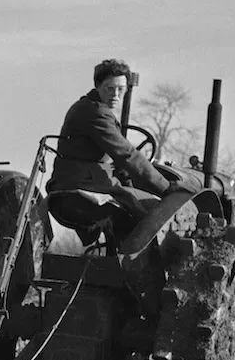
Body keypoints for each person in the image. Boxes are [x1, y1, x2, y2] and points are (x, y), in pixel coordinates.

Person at [46, 58, 174, 246]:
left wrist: (130, 184)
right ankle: (131, 273)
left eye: (121, 89)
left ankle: (117, 267)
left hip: (84, 182)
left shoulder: (91, 108)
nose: (115, 94)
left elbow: (115, 159)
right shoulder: (95, 112)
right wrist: (166, 188)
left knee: (138, 211)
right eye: (110, 88)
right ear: (98, 86)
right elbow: (125, 154)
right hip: (78, 189)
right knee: (139, 224)